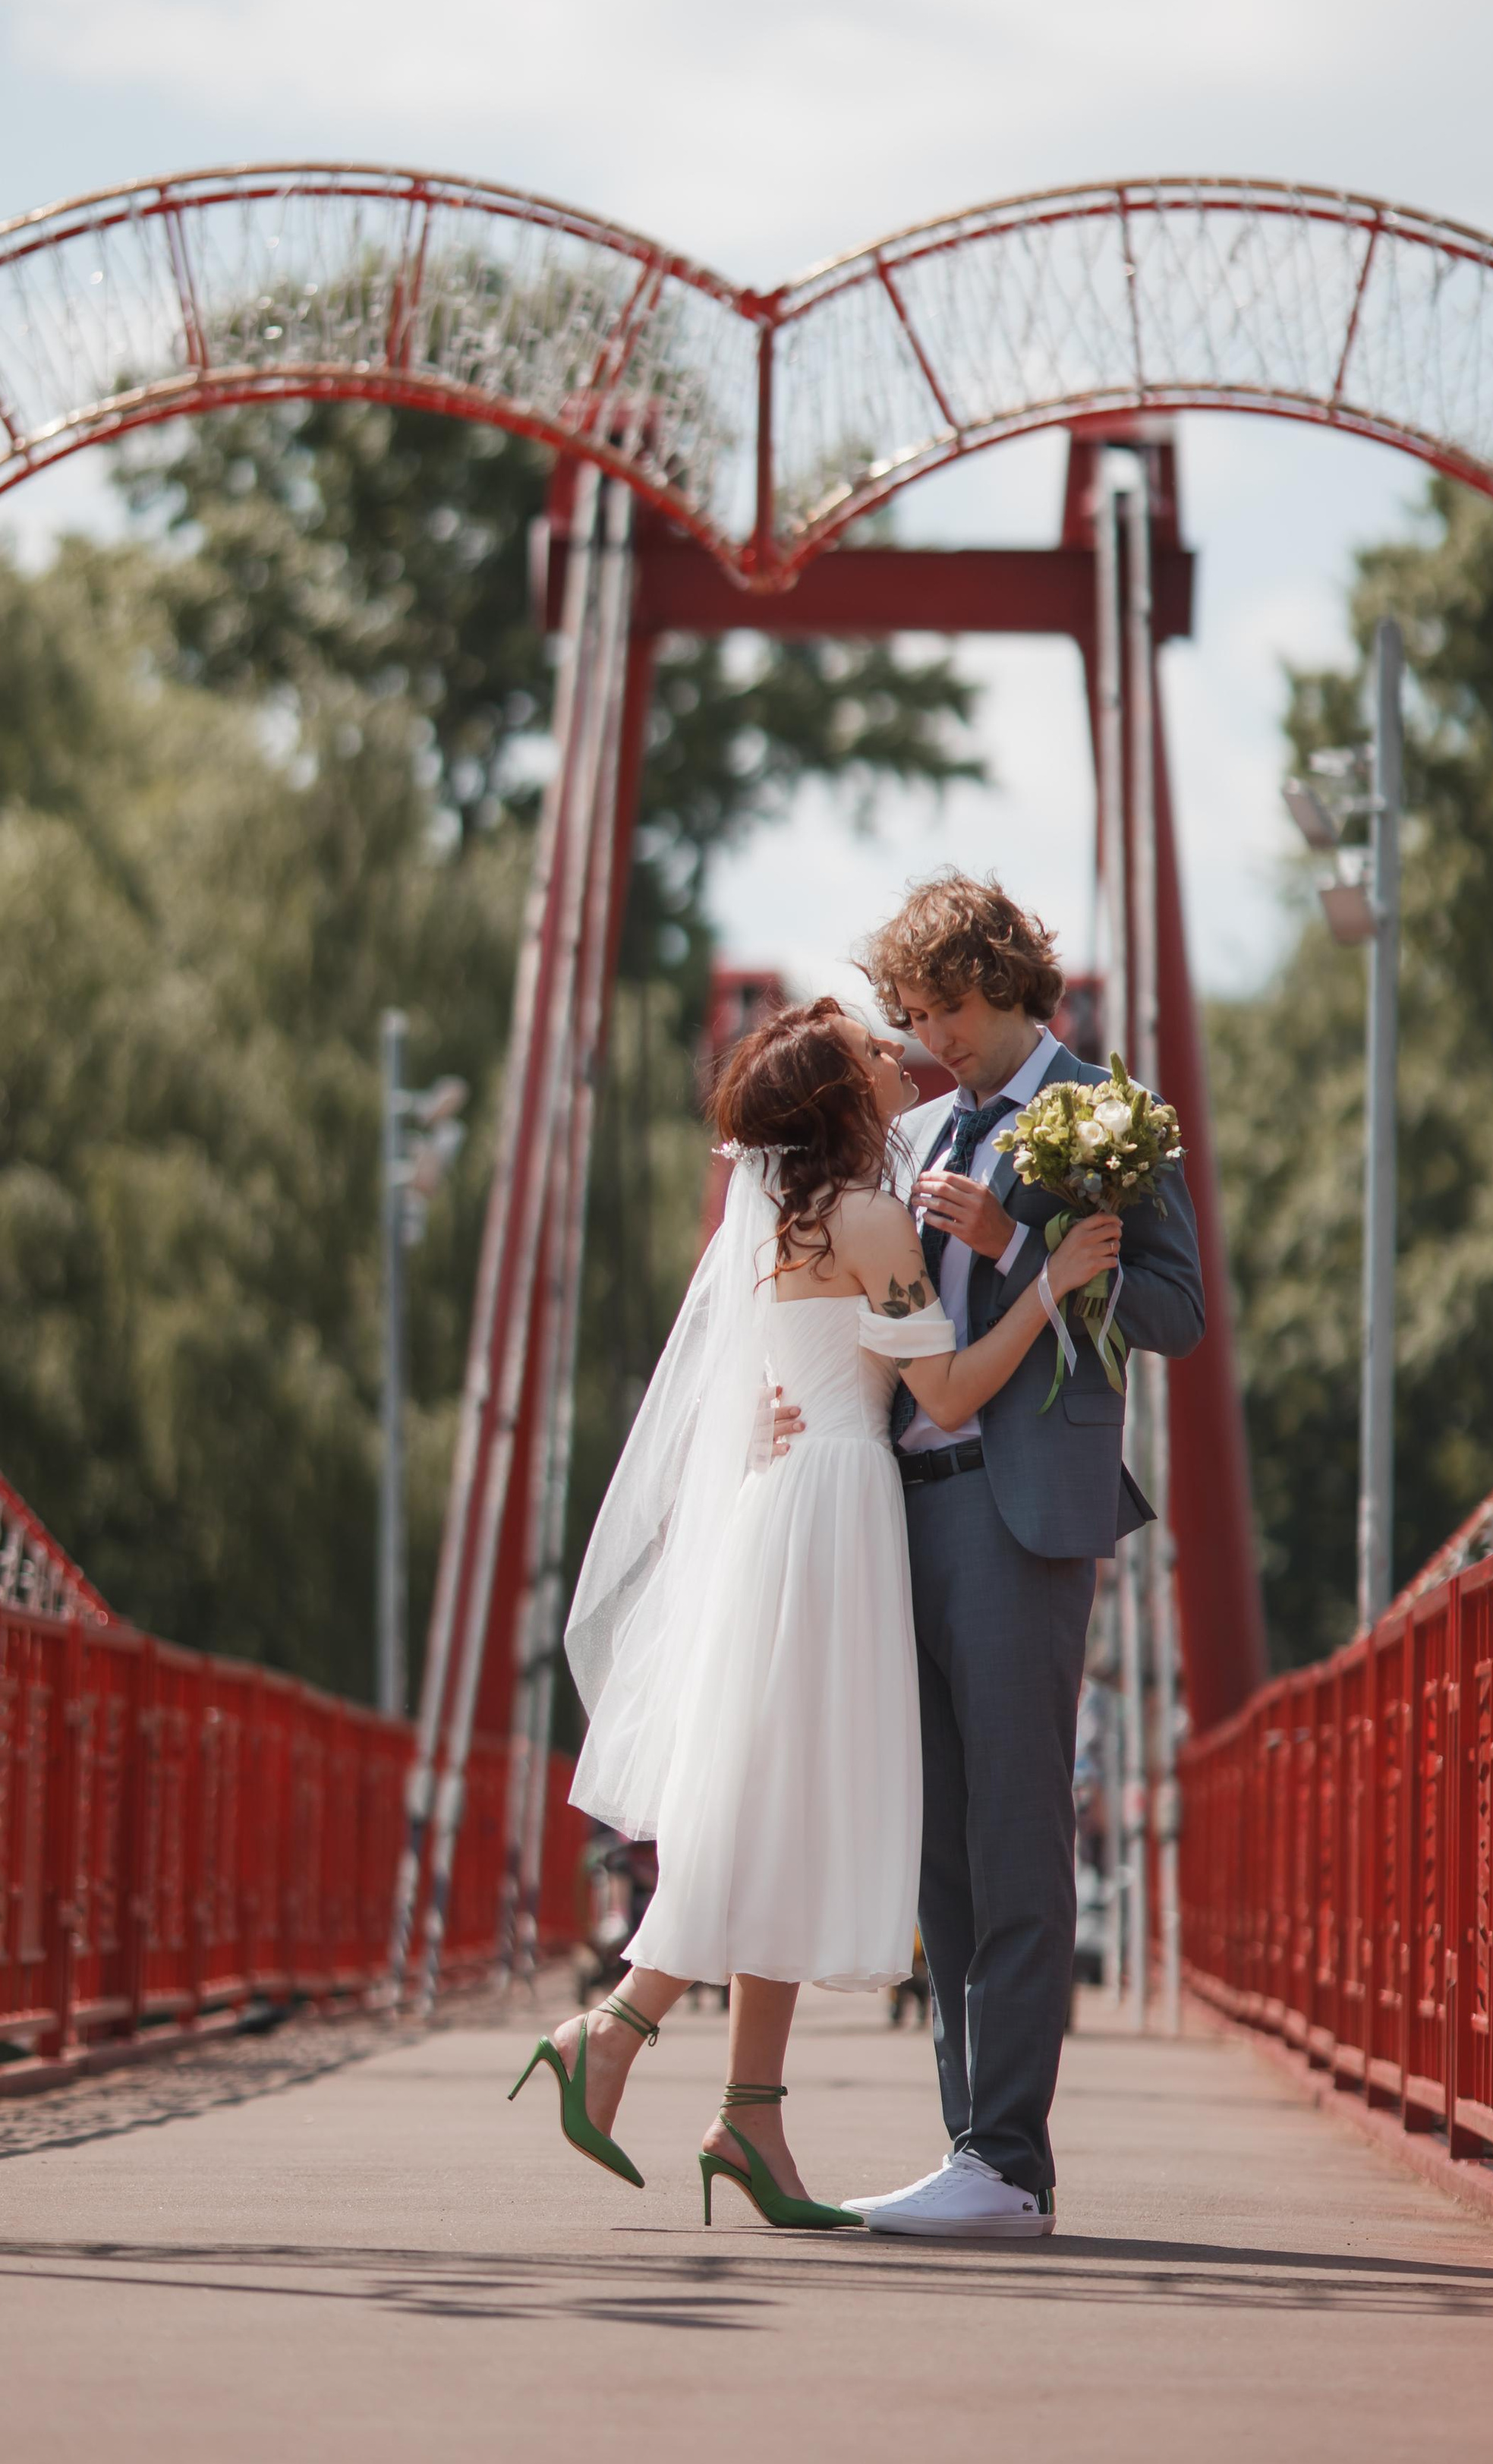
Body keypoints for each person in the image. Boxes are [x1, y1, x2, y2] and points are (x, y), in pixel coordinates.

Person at [509, 995, 1122, 2229]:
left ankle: (751, 2114)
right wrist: (1047, 1283)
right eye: (867, 1053)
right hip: (840, 1518)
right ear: (841, 1102)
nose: (898, 1056)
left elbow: (761, 1382)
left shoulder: (782, 1224)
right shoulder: (872, 1214)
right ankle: (615, 2027)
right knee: (772, 1800)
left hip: (787, 1512)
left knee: (775, 1798)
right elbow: (944, 1390)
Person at [836, 872, 1205, 2237]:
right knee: (941, 1844)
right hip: (903, 1502)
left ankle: (1013, 2163)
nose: (925, 1037)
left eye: (937, 1010)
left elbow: (1177, 1312)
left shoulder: (1107, 1117)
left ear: (995, 986)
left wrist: (1038, 1246)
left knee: (1016, 1833)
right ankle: (967, 2154)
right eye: (909, 1017)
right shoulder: (923, 1123)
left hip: (1022, 1507)